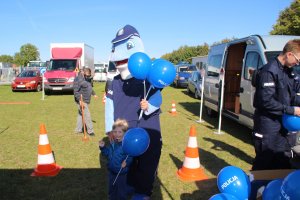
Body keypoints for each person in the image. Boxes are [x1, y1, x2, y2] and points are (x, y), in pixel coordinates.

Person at [105, 25, 163, 199]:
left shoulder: (147, 76)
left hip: (148, 129)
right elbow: (109, 106)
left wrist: (149, 106)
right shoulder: (113, 82)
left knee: (146, 167)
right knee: (122, 168)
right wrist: (109, 129)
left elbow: (157, 97)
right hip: (122, 132)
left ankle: (143, 193)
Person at [252, 39, 300, 170]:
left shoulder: (290, 72)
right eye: (298, 59)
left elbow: (294, 94)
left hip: (283, 125)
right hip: (267, 124)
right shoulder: (269, 71)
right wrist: (292, 111)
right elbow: (266, 102)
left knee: (283, 160)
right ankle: (257, 188)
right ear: (289, 54)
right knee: (264, 162)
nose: (297, 63)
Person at [99, 118, 133, 200]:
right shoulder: (113, 143)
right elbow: (108, 153)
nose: (117, 134)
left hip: (121, 173)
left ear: (125, 133)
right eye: (115, 132)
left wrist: (127, 163)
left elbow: (130, 156)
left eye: (120, 132)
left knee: (121, 191)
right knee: (112, 188)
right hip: (111, 171)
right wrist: (103, 148)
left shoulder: (126, 145)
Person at [73, 67, 98, 136]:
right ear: (83, 73)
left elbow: (89, 87)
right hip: (81, 100)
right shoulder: (78, 79)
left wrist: (94, 94)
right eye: (87, 75)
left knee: (80, 115)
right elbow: (76, 91)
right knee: (87, 115)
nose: (88, 77)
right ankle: (90, 131)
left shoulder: (87, 79)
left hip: (86, 100)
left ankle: (78, 129)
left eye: (89, 75)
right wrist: (80, 100)